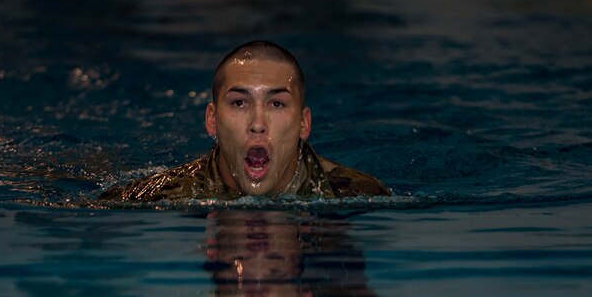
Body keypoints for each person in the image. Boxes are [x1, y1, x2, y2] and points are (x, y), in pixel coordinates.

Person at [99, 41, 390, 202]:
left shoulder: (359, 195)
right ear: (212, 120)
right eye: (239, 103)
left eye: (276, 104)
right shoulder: (152, 198)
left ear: (304, 124)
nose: (258, 123)